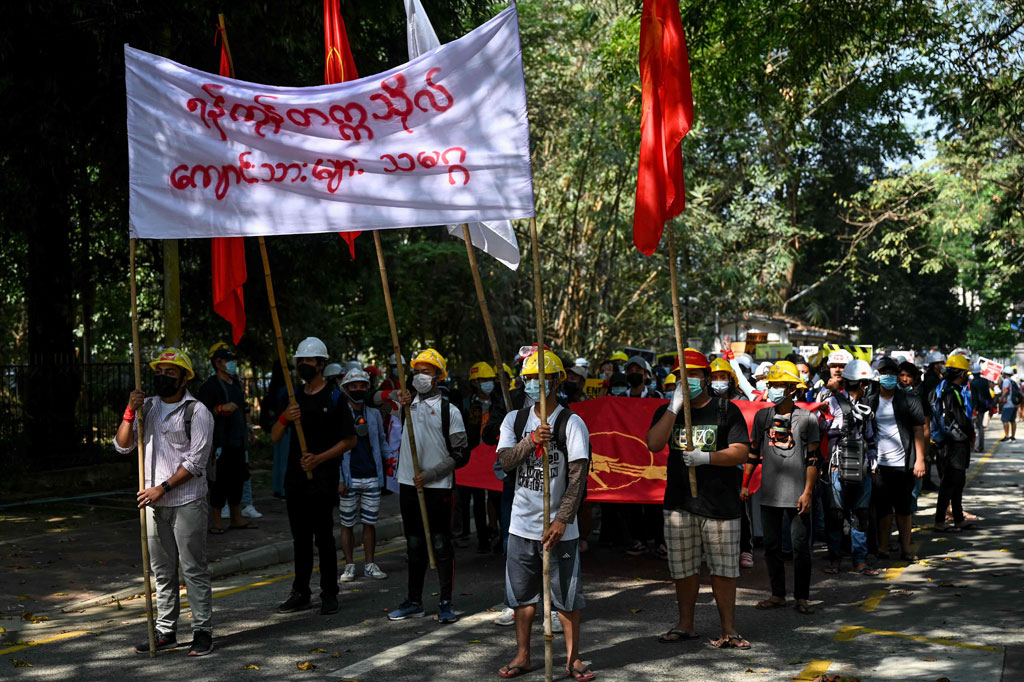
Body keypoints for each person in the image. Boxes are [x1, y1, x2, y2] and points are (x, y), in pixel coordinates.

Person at [496, 350, 593, 680]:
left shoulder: (572, 423)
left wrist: (562, 519)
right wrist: (531, 441)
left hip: (560, 529)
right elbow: (504, 463)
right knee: (522, 597)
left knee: (566, 596)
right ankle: (522, 655)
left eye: (542, 378)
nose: (535, 383)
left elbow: (579, 477)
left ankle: (572, 659)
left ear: (556, 382)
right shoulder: (515, 421)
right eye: (529, 378)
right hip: (521, 525)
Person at [646, 349, 752, 649]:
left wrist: (706, 457)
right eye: (682, 376)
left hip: (720, 505)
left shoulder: (725, 410)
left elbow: (741, 451)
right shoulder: (668, 410)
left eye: (694, 374)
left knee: (723, 570)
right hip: (680, 505)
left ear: (706, 378)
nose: (688, 380)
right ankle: (685, 624)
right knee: (683, 569)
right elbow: (654, 443)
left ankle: (729, 629)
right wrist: (673, 408)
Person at [114, 348, 215, 656]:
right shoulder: (148, 407)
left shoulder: (198, 412)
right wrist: (130, 413)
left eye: (171, 373)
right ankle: (165, 631)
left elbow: (197, 461)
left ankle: (202, 631)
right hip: (153, 504)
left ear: (185, 378)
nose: (163, 377)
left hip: (187, 501)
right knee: (162, 571)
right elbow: (122, 446)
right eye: (160, 372)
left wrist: (163, 487)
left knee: (193, 567)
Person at [271, 337, 356, 615]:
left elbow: (350, 440)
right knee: (300, 539)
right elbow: (274, 436)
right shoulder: (293, 397)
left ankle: (329, 592)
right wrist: (285, 417)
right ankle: (301, 591)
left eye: (309, 361)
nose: (303, 365)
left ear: (321, 364)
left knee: (323, 538)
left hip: (322, 479)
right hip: (295, 480)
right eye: (300, 361)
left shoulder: (335, 398)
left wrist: (319, 458)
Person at [388, 348, 468, 624]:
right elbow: (376, 398)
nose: (421, 376)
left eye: (427, 371)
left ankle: (446, 601)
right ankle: (414, 600)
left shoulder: (450, 411)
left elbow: (461, 454)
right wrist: (395, 397)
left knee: (441, 543)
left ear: (438, 377)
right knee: (413, 544)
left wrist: (432, 474)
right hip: (408, 485)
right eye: (417, 371)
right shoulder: (406, 405)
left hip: (438, 487)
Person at [742, 361, 819, 614]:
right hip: (769, 495)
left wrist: (807, 492)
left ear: (791, 389)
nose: (773, 390)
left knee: (799, 547)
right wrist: (745, 484)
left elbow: (813, 460)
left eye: (778, 385)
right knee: (771, 547)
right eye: (771, 385)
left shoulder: (807, 419)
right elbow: (753, 454)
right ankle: (777, 594)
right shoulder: (763, 416)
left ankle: (802, 597)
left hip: (798, 495)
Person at [822, 358, 878, 575]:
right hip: (837, 468)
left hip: (861, 468)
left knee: (860, 515)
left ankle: (859, 560)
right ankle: (836, 559)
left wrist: (872, 467)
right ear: (862, 384)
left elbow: (871, 440)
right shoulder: (832, 403)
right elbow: (823, 432)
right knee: (836, 515)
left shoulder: (865, 409)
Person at [869, 357, 928, 560]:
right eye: (885, 373)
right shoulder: (871, 401)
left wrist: (920, 460)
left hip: (904, 465)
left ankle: (905, 549)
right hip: (879, 466)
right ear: (878, 377)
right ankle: (883, 548)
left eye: (892, 374)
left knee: (904, 509)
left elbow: (919, 430)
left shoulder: (910, 400)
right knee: (883, 510)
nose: (889, 377)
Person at [337, 368, 390, 582]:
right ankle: (349, 565)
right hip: (349, 477)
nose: (358, 389)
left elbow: (382, 442)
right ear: (346, 388)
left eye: (362, 385)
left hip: (371, 476)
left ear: (367, 388)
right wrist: (339, 478)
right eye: (353, 386)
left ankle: (370, 564)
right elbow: (337, 449)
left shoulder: (375, 414)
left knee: (370, 523)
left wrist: (391, 460)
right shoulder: (340, 415)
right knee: (347, 523)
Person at [197, 343, 256, 534]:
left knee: (238, 478)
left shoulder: (236, 383)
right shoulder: (210, 386)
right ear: (218, 363)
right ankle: (216, 522)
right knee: (219, 481)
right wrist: (220, 409)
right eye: (228, 361)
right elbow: (201, 413)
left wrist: (248, 429)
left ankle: (236, 517)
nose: (231, 364)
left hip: (238, 440)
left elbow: (243, 408)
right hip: (220, 442)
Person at [931, 354, 975, 532]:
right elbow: (961, 420)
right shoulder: (952, 392)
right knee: (950, 483)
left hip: (947, 442)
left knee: (957, 482)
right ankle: (940, 520)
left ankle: (958, 518)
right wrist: (969, 434)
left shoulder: (943, 389)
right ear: (962, 374)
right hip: (954, 444)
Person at [461, 361, 500, 553]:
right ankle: (483, 538)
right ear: (475, 382)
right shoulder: (469, 404)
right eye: (483, 380)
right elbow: (469, 431)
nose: (487, 383)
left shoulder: (499, 400)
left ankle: (500, 534)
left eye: (490, 379)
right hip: (476, 455)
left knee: (496, 497)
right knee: (477, 500)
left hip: (496, 454)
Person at [968, 365, 992, 452]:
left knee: (979, 426)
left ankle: (979, 446)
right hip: (984, 406)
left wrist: (974, 409)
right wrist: (990, 407)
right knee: (980, 426)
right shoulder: (985, 381)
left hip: (977, 407)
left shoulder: (973, 383)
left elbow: (974, 397)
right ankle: (979, 445)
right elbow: (988, 395)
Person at [1000, 367, 1019, 442]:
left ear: (1005, 373)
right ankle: (1013, 437)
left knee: (1005, 420)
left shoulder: (1006, 381)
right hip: (1014, 404)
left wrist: (1001, 399)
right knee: (1013, 421)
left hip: (1008, 404)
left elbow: (1005, 391)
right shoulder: (1013, 381)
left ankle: (1007, 436)